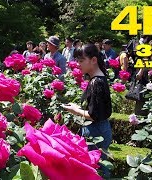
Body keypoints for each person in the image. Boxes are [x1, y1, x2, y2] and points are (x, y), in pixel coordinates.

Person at [61, 43, 112, 177]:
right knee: (99, 166)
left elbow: (93, 115)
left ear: (93, 60)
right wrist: (78, 107)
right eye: (77, 60)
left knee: (96, 169)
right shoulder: (98, 79)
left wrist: (74, 110)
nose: (78, 64)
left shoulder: (97, 82)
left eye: (81, 60)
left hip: (96, 131)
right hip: (100, 128)